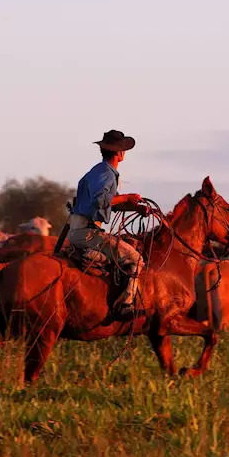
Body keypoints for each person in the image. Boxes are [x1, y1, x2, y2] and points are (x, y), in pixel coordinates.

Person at [68, 130, 151, 318]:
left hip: (80, 229)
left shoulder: (98, 171)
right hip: (87, 233)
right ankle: (126, 304)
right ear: (120, 153)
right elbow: (101, 201)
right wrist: (127, 197)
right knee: (136, 259)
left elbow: (106, 205)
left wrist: (134, 208)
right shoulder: (106, 173)